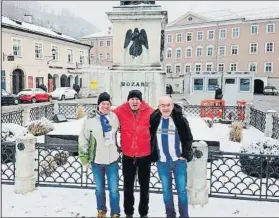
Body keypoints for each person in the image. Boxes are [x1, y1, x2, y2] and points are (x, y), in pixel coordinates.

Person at [149, 96, 194, 218]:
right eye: (162, 105)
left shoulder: (180, 120)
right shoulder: (154, 120)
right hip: (162, 162)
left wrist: (184, 154)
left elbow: (188, 138)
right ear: (159, 107)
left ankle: (184, 216)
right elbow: (150, 138)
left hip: (178, 162)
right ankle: (170, 215)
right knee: (166, 193)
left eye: (168, 105)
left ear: (172, 106)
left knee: (182, 192)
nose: (165, 108)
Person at [78, 92, 121, 218]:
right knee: (99, 190)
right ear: (98, 105)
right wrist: (84, 159)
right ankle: (101, 210)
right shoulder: (90, 120)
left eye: (108, 104)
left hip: (112, 160)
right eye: (103, 103)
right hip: (97, 161)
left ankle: (115, 213)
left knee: (114, 190)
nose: (106, 106)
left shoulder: (114, 118)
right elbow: (83, 139)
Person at [113, 90, 154, 218]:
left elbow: (163, 119)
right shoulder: (120, 111)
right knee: (128, 186)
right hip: (128, 155)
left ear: (141, 101)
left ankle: (143, 212)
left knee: (144, 187)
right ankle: (129, 212)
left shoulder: (150, 112)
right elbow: (107, 116)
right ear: (128, 100)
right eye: (132, 99)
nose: (135, 101)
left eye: (137, 99)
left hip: (144, 155)